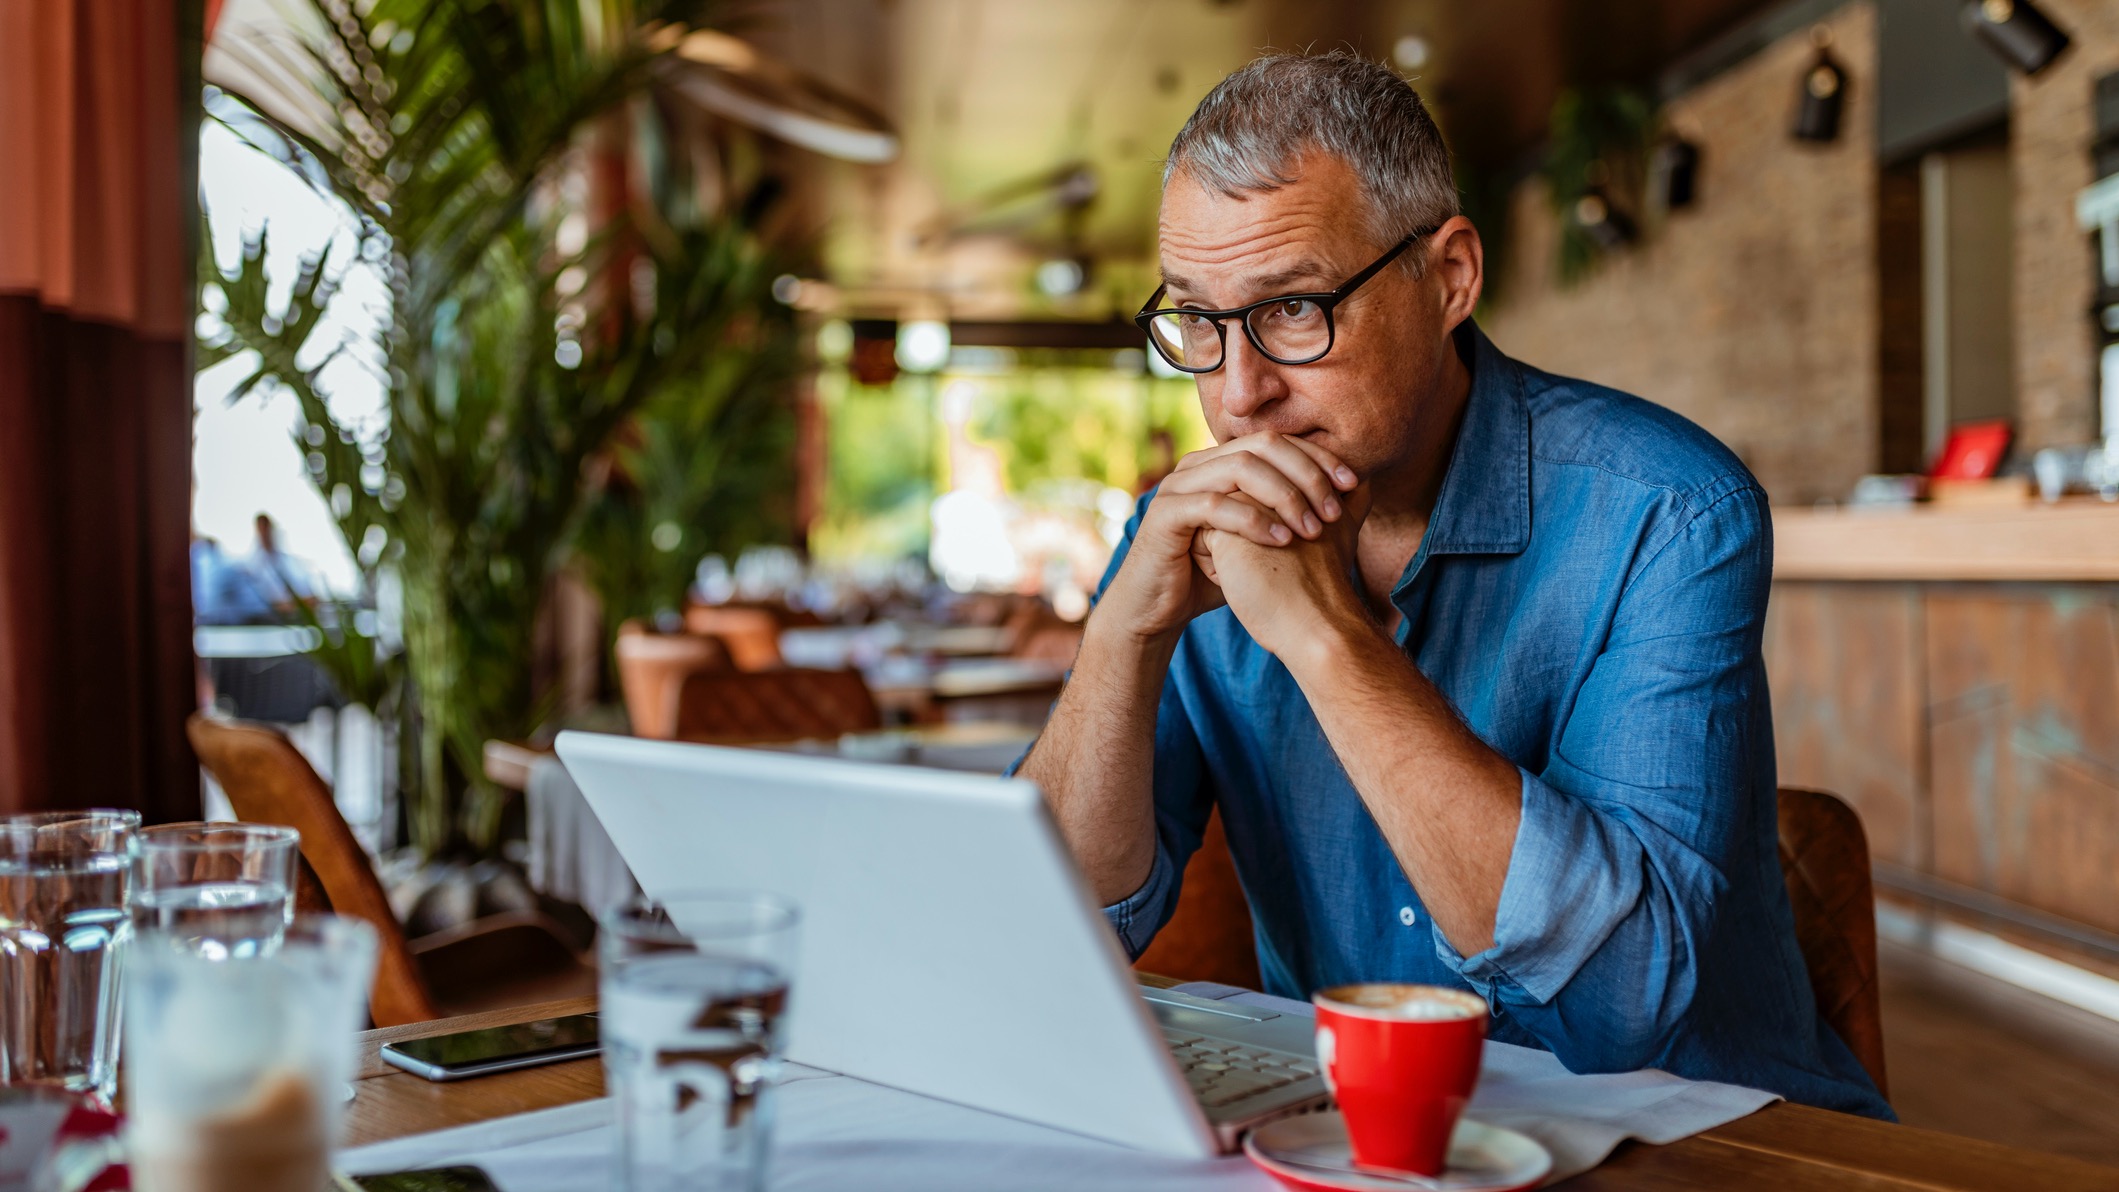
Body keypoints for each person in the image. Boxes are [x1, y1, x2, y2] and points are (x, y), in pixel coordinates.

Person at [1016, 51, 1891, 1119]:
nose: (1239, 393)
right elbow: (1051, 938)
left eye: (1293, 307)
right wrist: (1120, 635)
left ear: (1450, 278)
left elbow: (1621, 1011)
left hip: (1699, 1144)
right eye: (1198, 320)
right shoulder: (1190, 533)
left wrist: (1328, 640)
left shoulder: (1666, 511)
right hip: (1365, 1141)